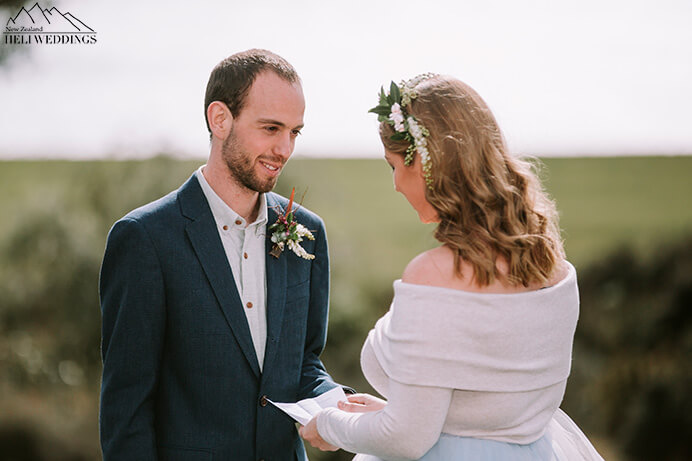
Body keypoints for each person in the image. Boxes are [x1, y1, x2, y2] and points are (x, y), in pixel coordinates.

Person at [299, 74, 605, 460]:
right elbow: (489, 404)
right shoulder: (552, 265)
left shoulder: (435, 274)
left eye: (394, 165)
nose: (396, 184)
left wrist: (329, 423)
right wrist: (397, 412)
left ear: (427, 164)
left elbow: (405, 439)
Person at [99, 49, 341, 461]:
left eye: (294, 133)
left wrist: (335, 405)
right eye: (271, 128)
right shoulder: (145, 238)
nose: (284, 148)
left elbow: (303, 363)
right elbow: (127, 410)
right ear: (220, 119)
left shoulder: (308, 232)